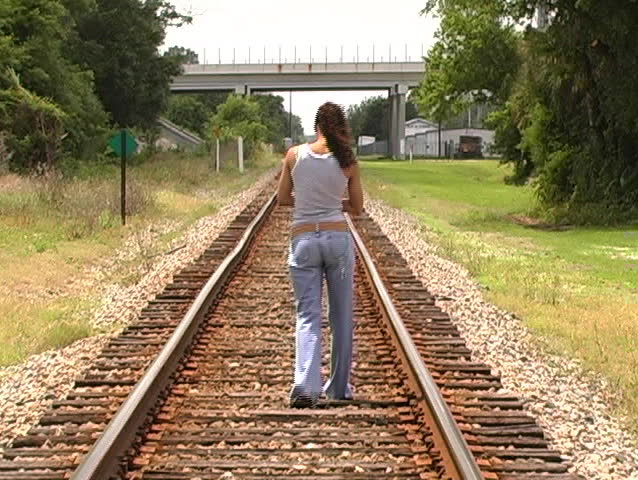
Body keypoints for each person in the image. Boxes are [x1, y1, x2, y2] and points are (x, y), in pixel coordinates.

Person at [277, 102, 363, 408]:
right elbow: (357, 207)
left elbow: (282, 199)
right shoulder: (348, 160)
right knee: (341, 315)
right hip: (337, 240)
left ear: (316, 126)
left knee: (308, 314)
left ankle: (305, 385)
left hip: (303, 240)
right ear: (342, 128)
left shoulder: (294, 155)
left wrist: (307, 203)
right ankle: (338, 388)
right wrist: (333, 205)